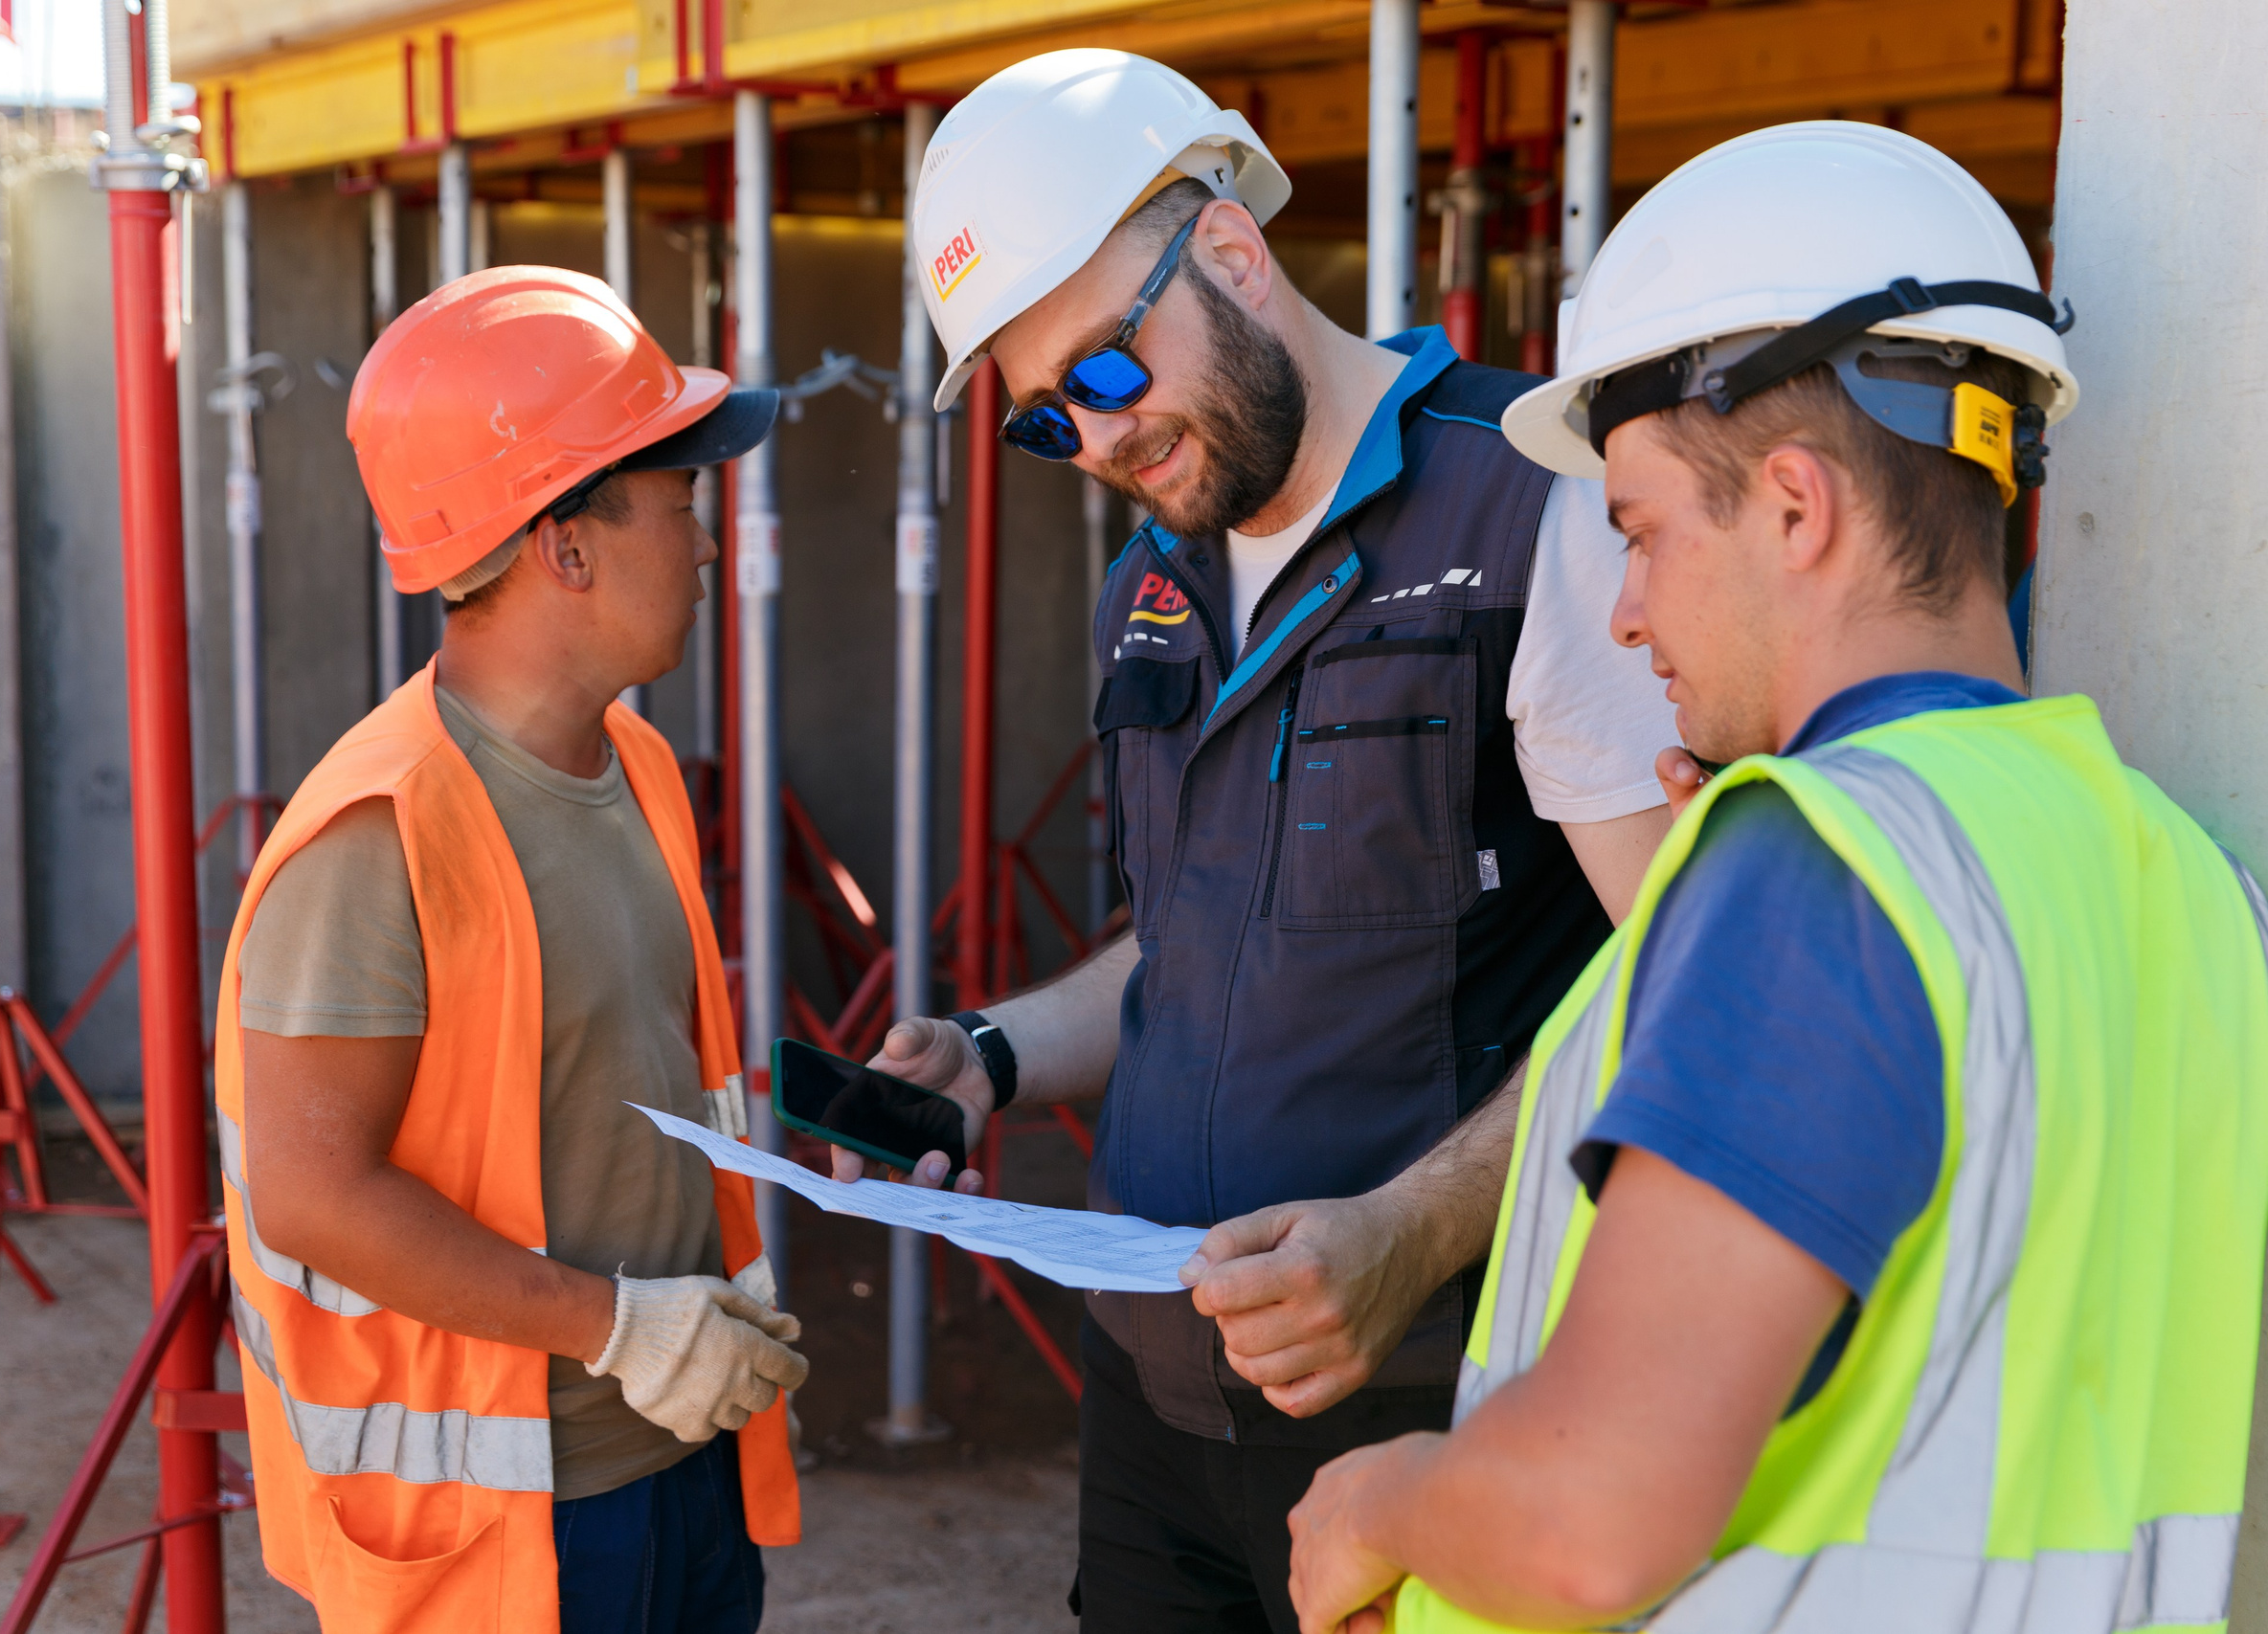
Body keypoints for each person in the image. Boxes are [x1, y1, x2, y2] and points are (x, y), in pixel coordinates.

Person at [1284, 122, 2268, 1634]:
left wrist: (1383, 1498)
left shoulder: (1823, 872)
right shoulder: (2191, 883)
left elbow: (1583, 1524)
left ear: (1798, 509)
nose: (1625, 613)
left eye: (1642, 532)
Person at [857, 50, 1681, 1632]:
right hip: (1152, 1402)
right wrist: (992, 1055)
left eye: (1106, 372)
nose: (1096, 442)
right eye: (1043, 423)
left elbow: (1677, 979)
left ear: (1232, 251)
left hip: (1433, 1399)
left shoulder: (1537, 508)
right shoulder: (1152, 585)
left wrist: (1409, 1233)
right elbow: (1192, 945)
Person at [216, 266, 808, 1634]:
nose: (707, 546)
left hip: (682, 1452)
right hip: (517, 1530)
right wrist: (615, 1328)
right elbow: (311, 1195)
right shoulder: (379, 832)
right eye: (682, 504)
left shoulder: (638, 766)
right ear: (567, 547)